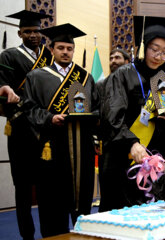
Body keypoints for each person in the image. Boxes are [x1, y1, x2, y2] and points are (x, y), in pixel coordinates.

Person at [99, 16, 165, 212]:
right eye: (154, 49)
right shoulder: (122, 75)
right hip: (124, 157)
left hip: (157, 161)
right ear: (144, 47)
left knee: (154, 214)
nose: (158, 56)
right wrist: (132, 143)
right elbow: (111, 117)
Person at [23, 23, 99, 237]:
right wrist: (49, 118)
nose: (66, 52)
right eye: (61, 48)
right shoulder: (37, 77)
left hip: (82, 145)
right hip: (52, 146)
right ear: (52, 49)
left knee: (82, 200)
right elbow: (29, 108)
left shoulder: (85, 77)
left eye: (69, 48)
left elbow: (96, 107)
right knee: (52, 201)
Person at [0, 10, 52, 240]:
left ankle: (50, 233)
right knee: (22, 188)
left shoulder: (50, 58)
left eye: (36, 31)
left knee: (46, 188)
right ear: (19, 33)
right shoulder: (9, 56)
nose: (33, 35)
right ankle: (27, 236)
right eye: (28, 31)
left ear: (42, 33)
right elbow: (2, 82)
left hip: (45, 130)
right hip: (21, 128)